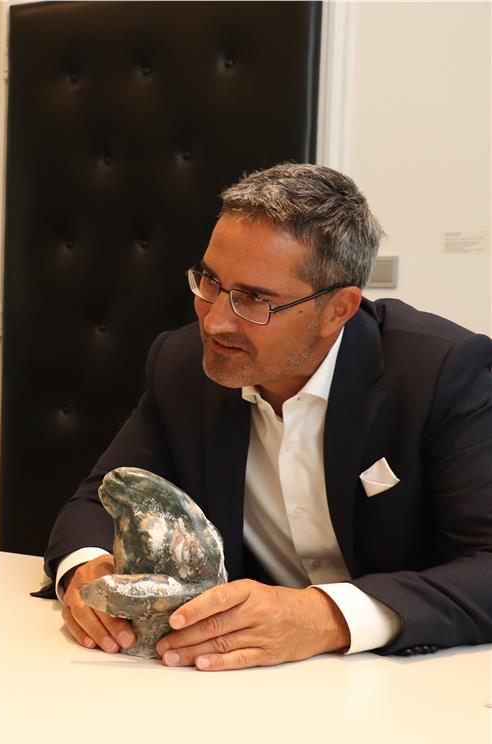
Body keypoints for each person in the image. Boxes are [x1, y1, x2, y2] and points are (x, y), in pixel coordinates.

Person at [46, 163, 491, 670]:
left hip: (414, 680)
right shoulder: (183, 366)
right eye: (210, 282)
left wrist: (326, 616)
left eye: (254, 299)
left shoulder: (439, 372)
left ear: (339, 309)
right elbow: (99, 499)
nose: (215, 320)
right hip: (237, 681)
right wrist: (87, 571)